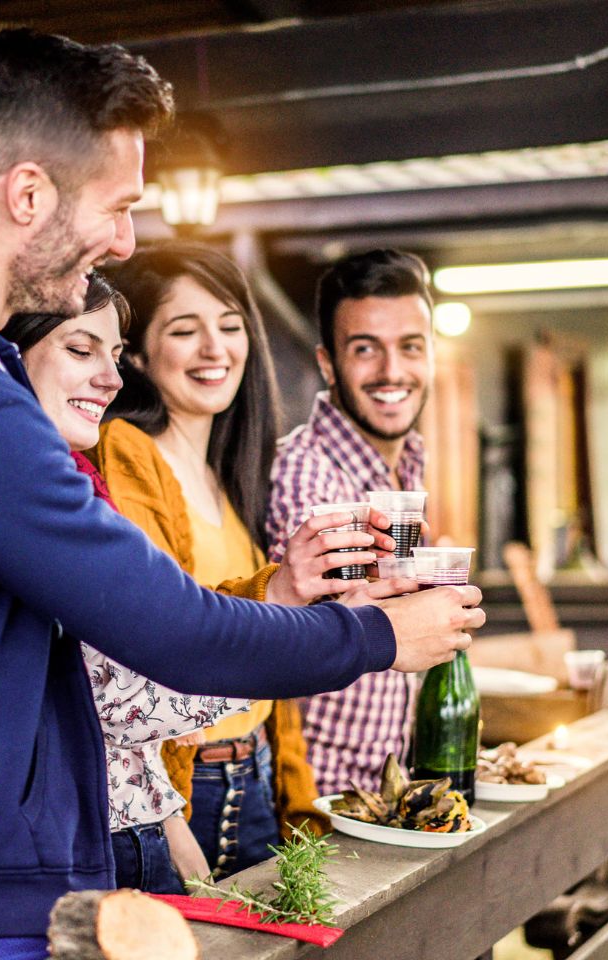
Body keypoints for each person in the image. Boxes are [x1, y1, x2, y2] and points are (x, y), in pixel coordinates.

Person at [0, 30, 482, 959]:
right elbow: (171, 629)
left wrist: (278, 600)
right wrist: (381, 637)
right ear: (28, 193)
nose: (125, 240)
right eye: (117, 206)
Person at [97, 242, 390, 880]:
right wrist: (168, 822)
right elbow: (139, 649)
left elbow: (269, 656)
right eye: (185, 329)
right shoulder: (127, 453)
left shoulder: (229, 469)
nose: (216, 349)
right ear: (138, 354)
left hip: (251, 770)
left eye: (230, 327)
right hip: (185, 788)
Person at [7, 275, 245, 894]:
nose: (112, 380)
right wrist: (298, 639)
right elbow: (116, 689)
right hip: (77, 840)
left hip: (126, 820)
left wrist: (162, 812)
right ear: (9, 351)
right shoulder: (22, 494)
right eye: (80, 350)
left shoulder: (76, 476)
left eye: (112, 356)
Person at [267, 248, 439, 797]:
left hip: (386, 786)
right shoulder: (306, 474)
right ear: (327, 363)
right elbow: (309, 634)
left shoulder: (406, 464)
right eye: (366, 350)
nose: (393, 371)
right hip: (319, 807)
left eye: (410, 347)